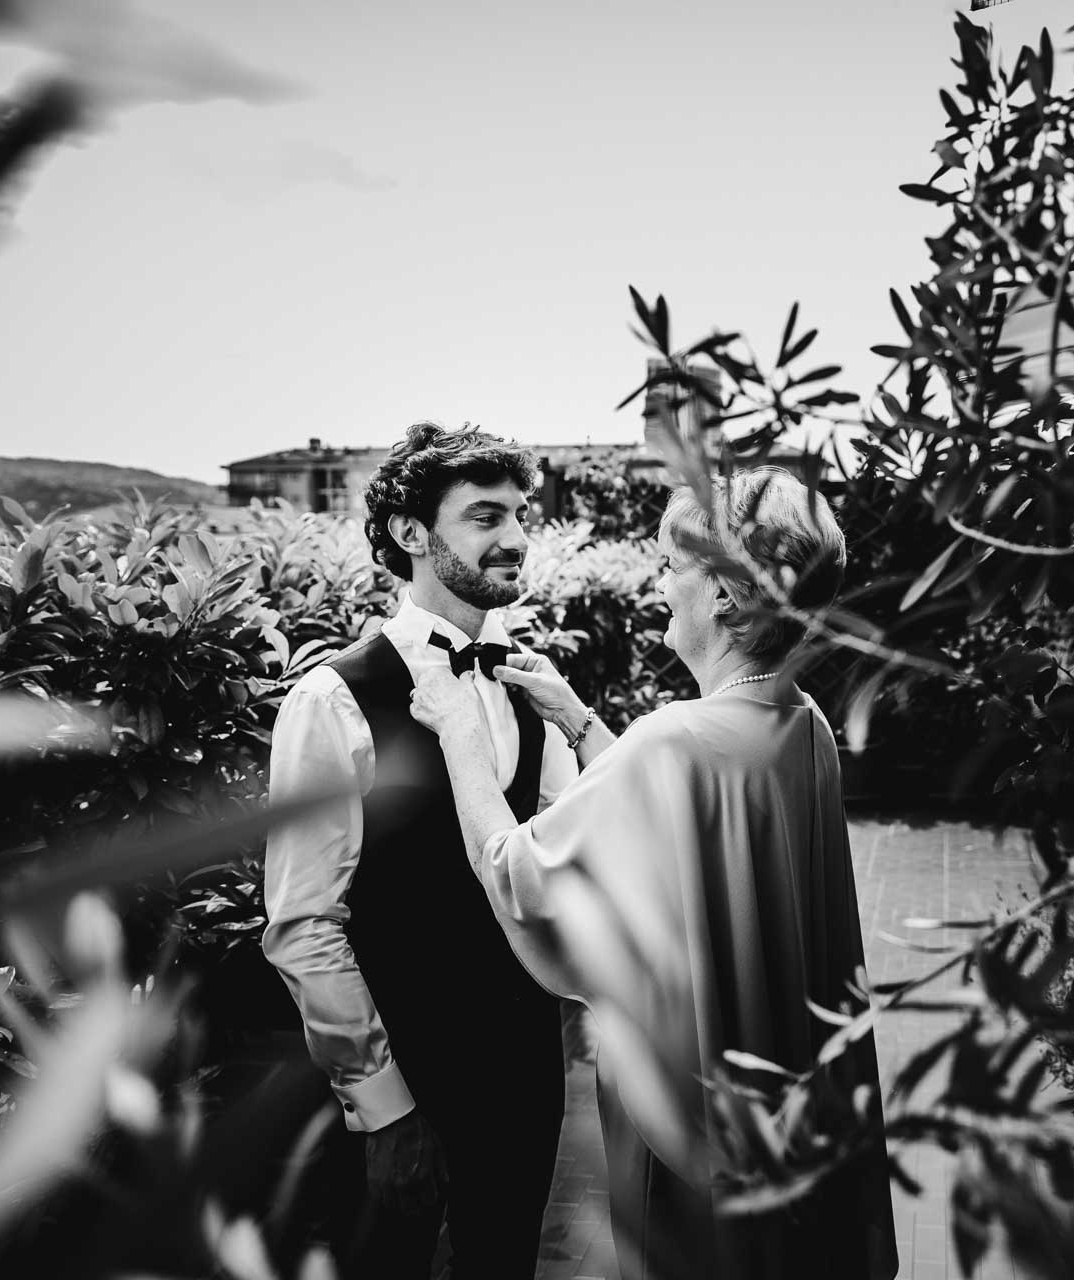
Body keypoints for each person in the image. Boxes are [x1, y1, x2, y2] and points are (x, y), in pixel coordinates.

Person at [409, 467, 899, 1280]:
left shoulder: (675, 739)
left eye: (673, 565)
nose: (659, 583)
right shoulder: (798, 718)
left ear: (726, 595)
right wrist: (579, 720)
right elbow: (679, 816)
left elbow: (514, 870)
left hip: (695, 1129)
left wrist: (461, 735)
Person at [263, 423, 578, 1278]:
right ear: (411, 533)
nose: (515, 537)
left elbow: (563, 862)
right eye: (485, 516)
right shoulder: (334, 699)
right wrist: (383, 1106)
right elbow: (303, 922)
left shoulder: (530, 684)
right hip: (408, 1070)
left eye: (520, 515)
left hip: (524, 1070)